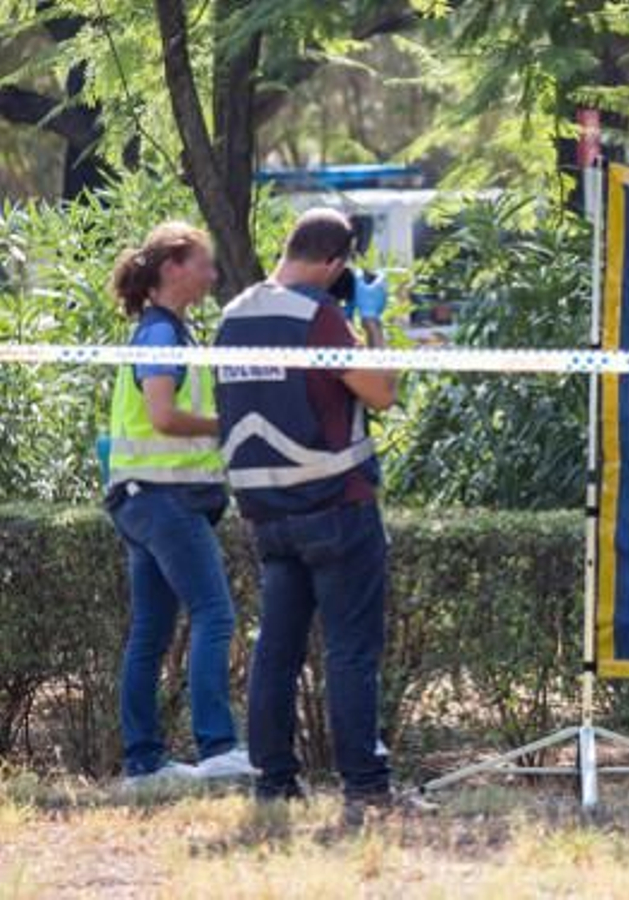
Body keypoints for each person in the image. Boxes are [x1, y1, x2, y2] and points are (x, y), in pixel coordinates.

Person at [213, 208, 402, 819]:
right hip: (335, 504)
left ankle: (273, 784)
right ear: (335, 264)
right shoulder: (318, 317)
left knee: (277, 650)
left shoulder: (233, 314)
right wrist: (370, 320)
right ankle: (365, 787)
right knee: (349, 653)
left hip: (265, 513)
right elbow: (382, 393)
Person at [105, 223, 255, 787]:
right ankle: (218, 748)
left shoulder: (165, 332)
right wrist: (231, 423)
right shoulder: (160, 337)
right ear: (172, 267)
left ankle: (144, 764)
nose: (212, 275)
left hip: (143, 498)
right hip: (162, 500)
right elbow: (164, 417)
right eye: (204, 265)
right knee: (215, 615)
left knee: (151, 631)